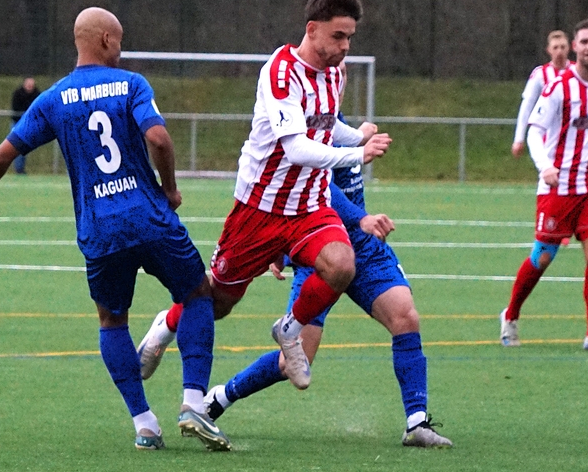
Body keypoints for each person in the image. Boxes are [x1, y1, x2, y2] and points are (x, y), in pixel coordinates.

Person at [0, 7, 230, 452]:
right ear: (106, 39)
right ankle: (192, 402)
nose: (121, 49)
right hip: (149, 217)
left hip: (100, 229)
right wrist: (169, 188)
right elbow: (159, 139)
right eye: (119, 40)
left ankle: (145, 425)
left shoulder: (53, 99)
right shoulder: (131, 85)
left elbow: (1, 155)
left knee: (112, 320)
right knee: (197, 293)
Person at [136, 0, 390, 394]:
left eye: (350, 38)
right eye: (338, 36)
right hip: (261, 207)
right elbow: (297, 147)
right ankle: (164, 327)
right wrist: (357, 154)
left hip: (309, 206)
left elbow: (324, 125)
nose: (345, 46)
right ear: (312, 29)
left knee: (342, 265)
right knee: (218, 303)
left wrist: (355, 134)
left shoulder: (335, 74)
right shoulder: (281, 72)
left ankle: (289, 329)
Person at [144, 153, 453, 448]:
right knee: (290, 357)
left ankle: (416, 423)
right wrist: (354, 216)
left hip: (362, 247)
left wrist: (359, 139)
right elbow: (315, 182)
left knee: (405, 318)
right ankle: (221, 394)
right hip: (317, 251)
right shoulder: (304, 127)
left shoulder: (337, 123)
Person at [500, 19, 588, 351]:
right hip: (558, 187)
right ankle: (511, 315)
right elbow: (535, 131)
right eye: (584, 42)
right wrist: (545, 166)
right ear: (575, 47)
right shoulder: (558, 87)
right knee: (543, 257)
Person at [511, 30, 571, 158]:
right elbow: (527, 105)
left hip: (573, 136)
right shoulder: (540, 74)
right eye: (555, 47)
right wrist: (519, 138)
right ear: (549, 50)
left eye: (562, 47)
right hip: (547, 139)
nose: (559, 51)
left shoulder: (577, 71)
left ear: (569, 48)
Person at [10, 77, 40, 174]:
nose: (30, 86)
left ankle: (24, 168)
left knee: (26, 146)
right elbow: (15, 108)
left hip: (31, 124)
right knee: (17, 146)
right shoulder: (18, 93)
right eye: (28, 84)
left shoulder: (37, 94)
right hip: (18, 123)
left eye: (31, 84)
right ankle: (18, 169)